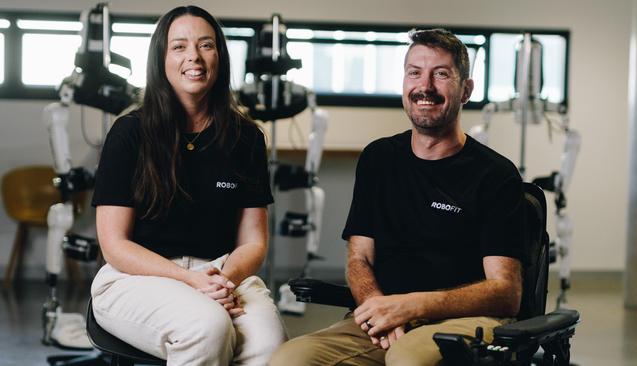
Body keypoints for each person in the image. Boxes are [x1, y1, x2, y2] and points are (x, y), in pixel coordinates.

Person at [270, 28, 526, 366]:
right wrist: (378, 307)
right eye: (414, 73)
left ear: (466, 90)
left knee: (406, 359)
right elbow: (359, 258)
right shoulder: (379, 159)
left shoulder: (495, 175)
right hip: (387, 316)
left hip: (464, 321)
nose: (425, 86)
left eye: (441, 74)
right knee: (289, 360)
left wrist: (412, 306)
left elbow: (506, 292)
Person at [90, 6, 286, 366]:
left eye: (205, 45)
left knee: (270, 345)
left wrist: (219, 281)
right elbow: (114, 245)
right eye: (179, 46)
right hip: (136, 277)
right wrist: (190, 280)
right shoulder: (129, 134)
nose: (193, 56)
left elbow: (254, 241)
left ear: (220, 57)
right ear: (161, 59)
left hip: (224, 273)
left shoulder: (246, 138)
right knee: (207, 327)